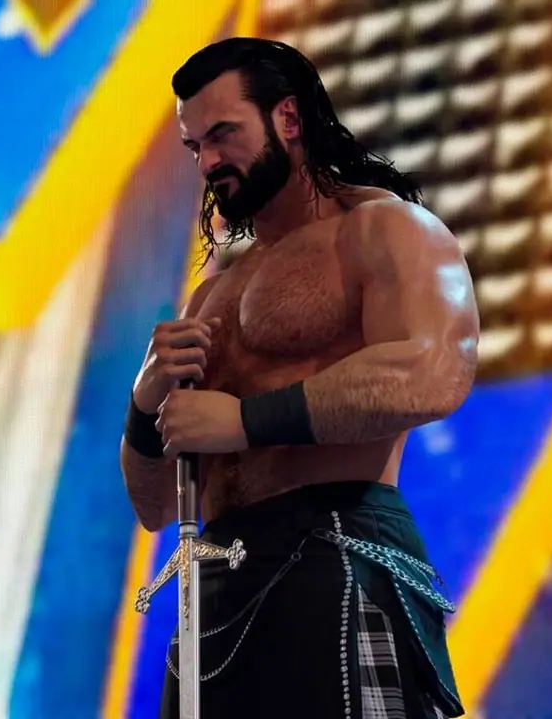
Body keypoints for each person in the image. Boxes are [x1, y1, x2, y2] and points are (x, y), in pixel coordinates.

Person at [120, 37, 478, 719]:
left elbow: (432, 371)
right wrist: (145, 404)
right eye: (194, 147)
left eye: (223, 135)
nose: (209, 162)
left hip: (333, 552)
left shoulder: (384, 229)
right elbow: (156, 507)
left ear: (287, 118)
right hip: (214, 597)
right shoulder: (212, 293)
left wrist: (244, 421)